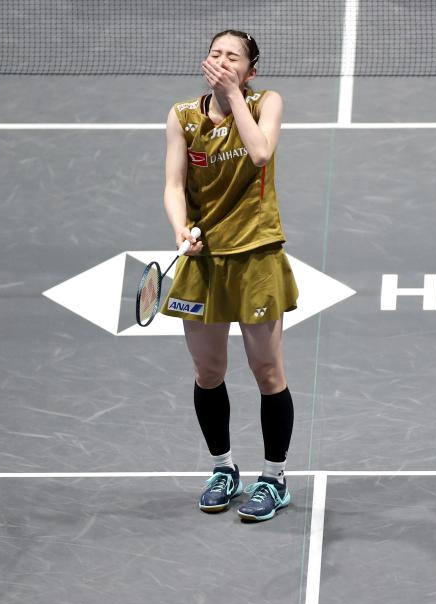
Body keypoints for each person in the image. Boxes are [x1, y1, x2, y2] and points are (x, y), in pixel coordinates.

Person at [162, 30, 296, 522]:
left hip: (256, 254)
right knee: (208, 372)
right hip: (205, 259)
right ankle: (223, 469)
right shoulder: (182, 116)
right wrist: (181, 229)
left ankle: (274, 478)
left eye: (233, 57)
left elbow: (260, 153)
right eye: (215, 53)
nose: (221, 61)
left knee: (267, 371)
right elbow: (174, 185)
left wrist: (234, 96)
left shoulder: (266, 102)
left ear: (251, 71)